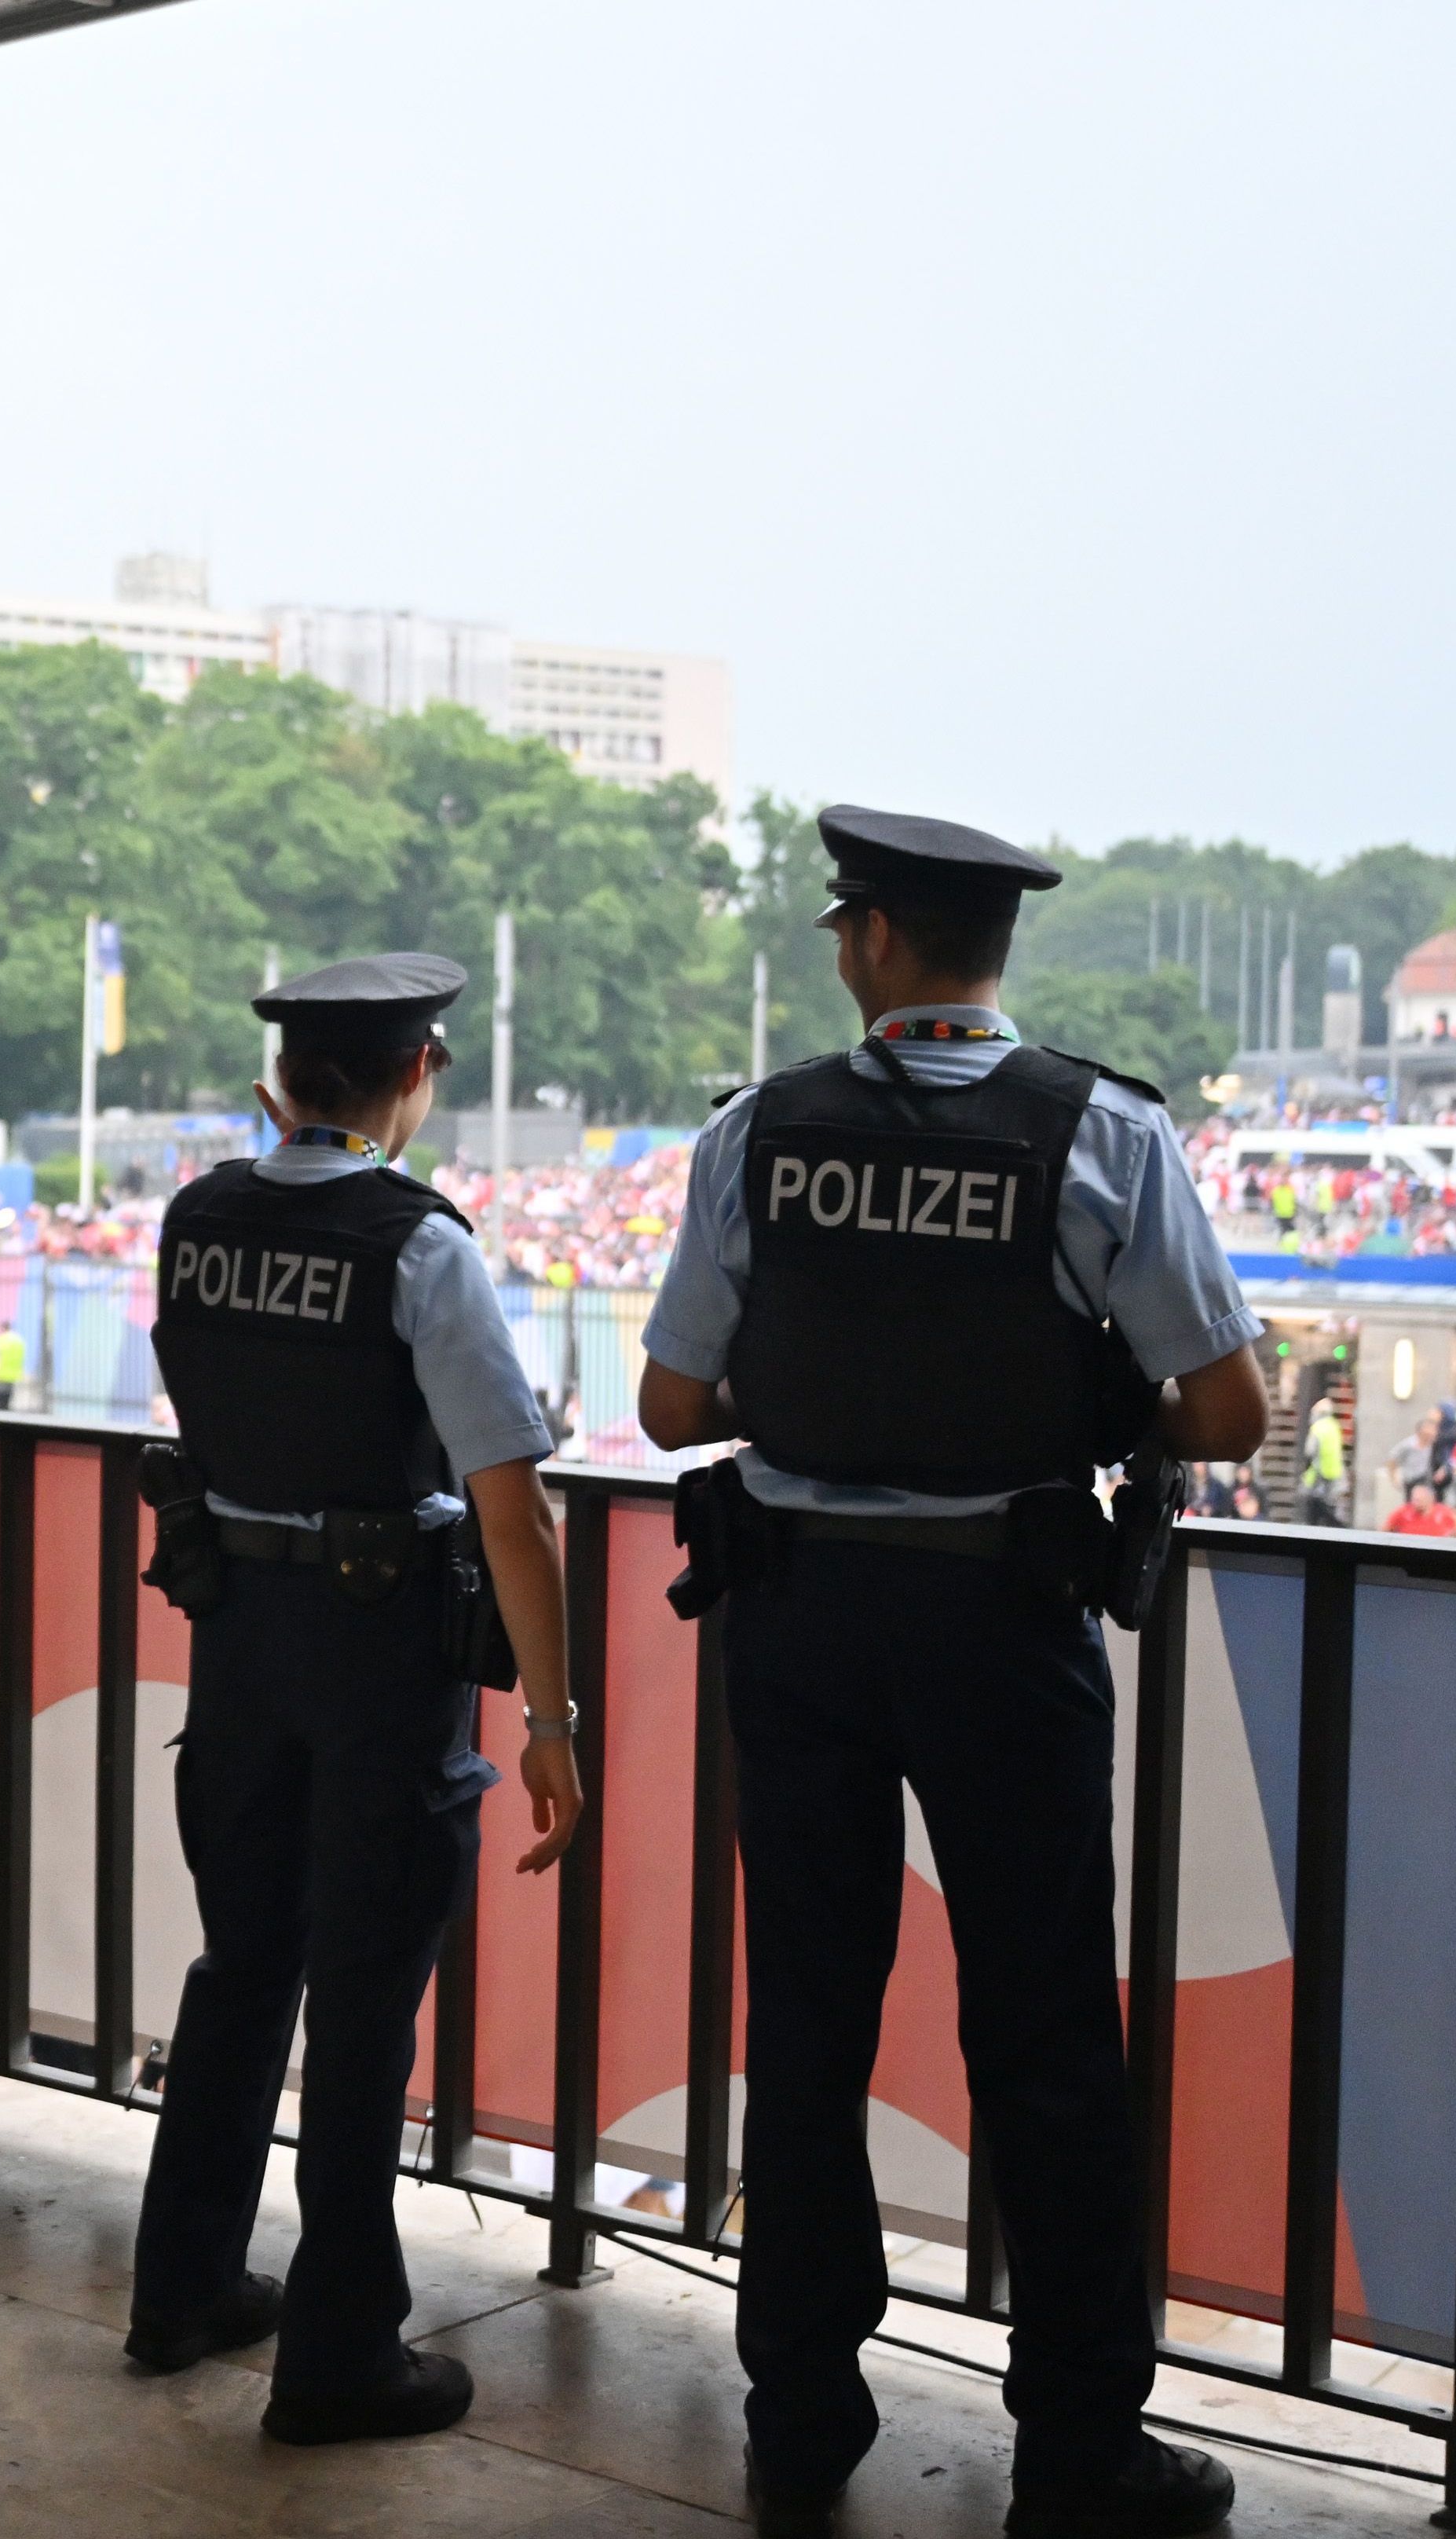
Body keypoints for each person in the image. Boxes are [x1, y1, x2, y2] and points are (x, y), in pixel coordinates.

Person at [635, 807, 1265, 2539]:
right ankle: (1075, 2441)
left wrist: (832, 1396)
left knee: (810, 2013)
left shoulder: (759, 1133)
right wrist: (1044, 1404)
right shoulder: (1101, 1132)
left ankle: (797, 2411)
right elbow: (1223, 1410)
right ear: (995, 952)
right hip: (1002, 1627)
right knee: (1047, 2029)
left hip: (798, 1625)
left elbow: (670, 1407)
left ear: (867, 942)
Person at [125, 953, 585, 2442]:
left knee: (240, 1967)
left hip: (240, 1642)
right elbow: (513, 1510)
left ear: (280, 1087)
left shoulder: (197, 1216)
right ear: (419, 1076)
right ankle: (337, 2352)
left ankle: (181, 2285)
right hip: (383, 1660)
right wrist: (554, 1721)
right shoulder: (417, 1245)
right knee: (367, 1998)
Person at [1297, 1398, 1344, 1530]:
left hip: (1318, 1476)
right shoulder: (1334, 1426)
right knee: (1329, 1509)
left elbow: (1310, 1453)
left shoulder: (1317, 1428)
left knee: (1314, 1511)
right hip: (1334, 1474)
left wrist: (1305, 1470)